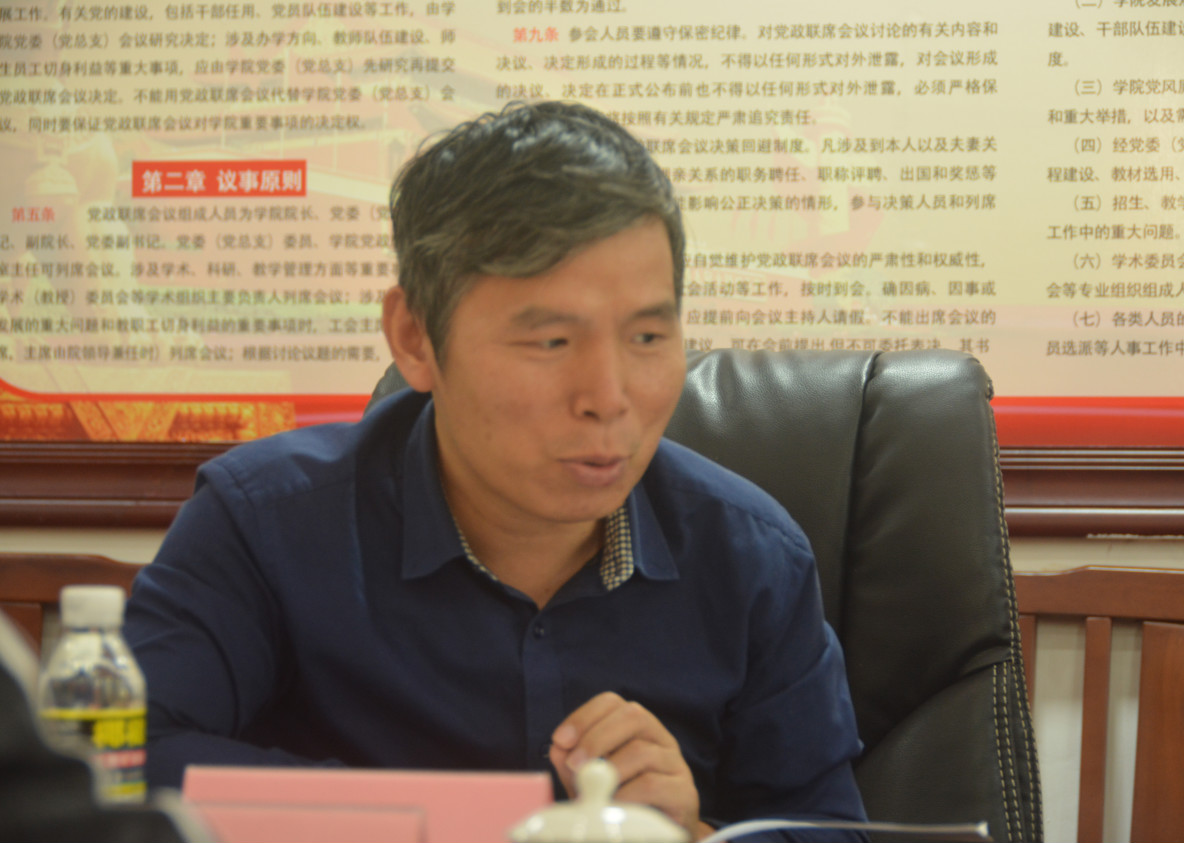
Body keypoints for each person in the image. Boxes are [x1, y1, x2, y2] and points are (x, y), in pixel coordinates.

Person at [124, 101, 866, 840]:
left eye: (646, 336)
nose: (609, 398)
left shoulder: (753, 558)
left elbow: (830, 828)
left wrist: (690, 834)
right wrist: (448, 821)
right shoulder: (265, 522)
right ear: (415, 336)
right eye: (550, 342)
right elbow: (121, 761)